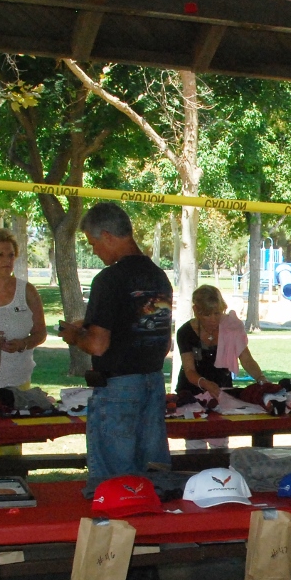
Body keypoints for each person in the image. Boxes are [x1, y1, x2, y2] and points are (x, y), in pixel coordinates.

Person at [60, 203, 173, 492]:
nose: (95, 250)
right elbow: (160, 338)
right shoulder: (158, 277)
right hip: (152, 382)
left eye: (93, 243)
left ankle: (114, 520)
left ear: (108, 236)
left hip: (118, 388)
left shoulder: (109, 279)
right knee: (153, 480)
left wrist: (74, 335)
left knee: (115, 485)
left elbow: (98, 344)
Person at [0, 229, 46, 390]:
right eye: (0, 255)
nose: (7, 260)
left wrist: (23, 343)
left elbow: (41, 333)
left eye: (11, 255)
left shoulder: (27, 291)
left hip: (18, 382)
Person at [176, 284, 266, 402]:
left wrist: (261, 378)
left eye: (217, 313)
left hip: (223, 390)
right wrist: (206, 384)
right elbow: (189, 370)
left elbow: (246, 359)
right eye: (207, 314)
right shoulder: (185, 332)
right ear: (196, 311)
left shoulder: (232, 327)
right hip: (190, 392)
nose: (213, 319)